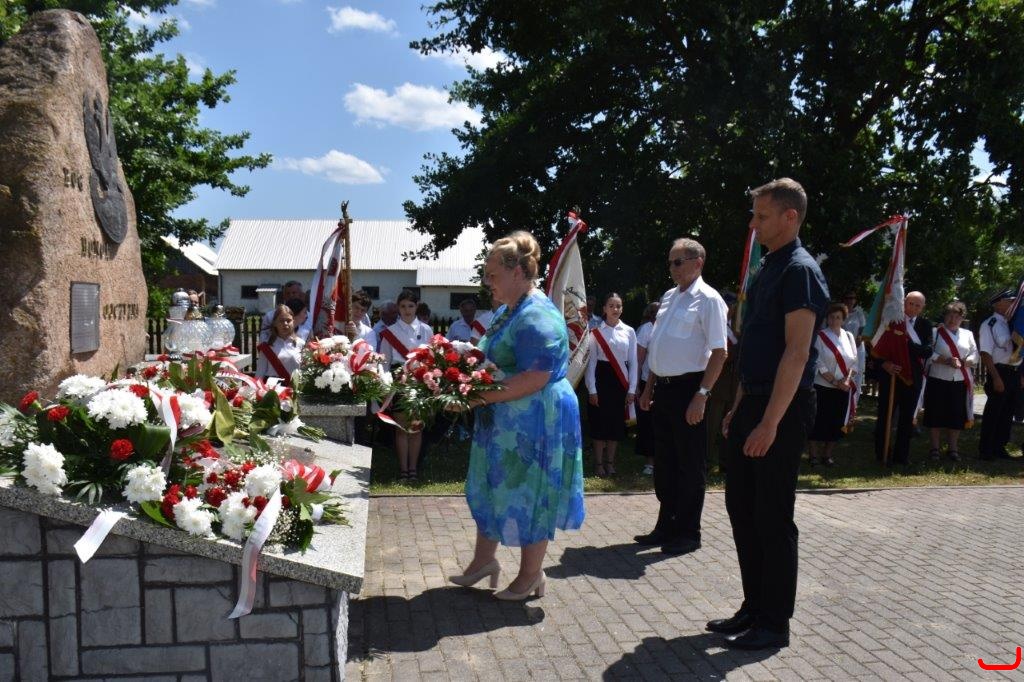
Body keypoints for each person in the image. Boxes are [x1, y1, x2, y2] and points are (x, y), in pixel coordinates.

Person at [708, 178, 828, 651]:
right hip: (754, 400)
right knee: (742, 509)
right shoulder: (768, 267)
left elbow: (796, 353)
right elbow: (755, 347)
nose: (753, 224)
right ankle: (754, 606)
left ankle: (775, 623)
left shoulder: (800, 270)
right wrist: (740, 407)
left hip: (784, 405)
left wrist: (770, 422)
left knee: (772, 516)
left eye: (761, 216)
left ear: (789, 217)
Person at [448, 231, 585, 600]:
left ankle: (530, 575)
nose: (487, 281)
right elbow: (491, 358)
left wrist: (476, 398)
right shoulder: (508, 311)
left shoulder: (537, 314)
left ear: (518, 272)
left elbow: (536, 377)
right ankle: (483, 562)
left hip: (535, 422)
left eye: (493, 274)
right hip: (505, 421)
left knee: (530, 493)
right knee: (493, 485)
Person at [636, 238, 728, 556]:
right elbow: (658, 346)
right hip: (663, 388)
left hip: (690, 389)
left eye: (678, 262)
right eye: (670, 263)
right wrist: (649, 386)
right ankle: (667, 526)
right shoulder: (669, 296)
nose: (672, 268)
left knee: (689, 464)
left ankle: (689, 532)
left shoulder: (709, 300)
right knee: (665, 463)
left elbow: (720, 352)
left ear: (697, 263)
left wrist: (702, 395)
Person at [869, 291, 932, 465]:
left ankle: (901, 456)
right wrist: (884, 363)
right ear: (904, 302)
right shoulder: (893, 321)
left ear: (922, 308)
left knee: (906, 418)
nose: (913, 308)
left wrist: (906, 344)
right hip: (891, 374)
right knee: (885, 415)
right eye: (910, 303)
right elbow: (875, 347)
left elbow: (927, 351)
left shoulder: (925, 325)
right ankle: (882, 453)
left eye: (918, 305)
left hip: (912, 377)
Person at [379, 290, 433, 480]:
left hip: (420, 381)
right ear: (398, 308)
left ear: (417, 306)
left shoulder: (426, 330)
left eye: (411, 306)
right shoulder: (390, 332)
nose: (407, 310)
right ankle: (403, 470)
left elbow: (431, 358)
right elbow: (384, 363)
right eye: (403, 306)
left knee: (417, 427)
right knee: (402, 428)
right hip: (399, 382)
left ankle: (413, 469)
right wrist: (386, 387)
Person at [585, 292, 638, 477]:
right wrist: (592, 389)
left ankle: (610, 462)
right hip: (601, 379)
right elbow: (591, 363)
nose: (615, 309)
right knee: (599, 423)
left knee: (615, 424)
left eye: (618, 306)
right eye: (611, 306)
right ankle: (599, 463)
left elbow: (634, 362)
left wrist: (632, 389)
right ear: (604, 309)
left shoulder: (629, 331)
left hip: (619, 382)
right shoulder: (596, 332)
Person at [923, 300, 978, 461]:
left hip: (960, 379)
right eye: (949, 315)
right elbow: (928, 353)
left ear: (962, 318)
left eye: (957, 316)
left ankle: (953, 449)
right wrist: (946, 360)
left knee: (956, 414)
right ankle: (934, 448)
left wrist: (967, 361)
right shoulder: (935, 332)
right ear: (945, 316)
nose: (953, 319)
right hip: (938, 378)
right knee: (936, 413)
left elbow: (975, 353)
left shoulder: (968, 334)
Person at [808, 303, 859, 466]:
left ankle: (827, 455)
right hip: (823, 387)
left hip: (843, 387)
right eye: (831, 317)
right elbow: (818, 363)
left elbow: (854, 362)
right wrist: (835, 382)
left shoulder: (849, 337)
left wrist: (846, 380)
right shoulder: (820, 336)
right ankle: (813, 455)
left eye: (838, 317)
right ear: (827, 318)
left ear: (843, 319)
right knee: (818, 421)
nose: (834, 320)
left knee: (836, 422)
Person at [978, 289, 1022, 459]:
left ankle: (1000, 447)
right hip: (1000, 371)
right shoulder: (990, 324)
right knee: (994, 412)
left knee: (1007, 412)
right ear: (998, 304)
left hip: (1014, 372)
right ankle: (986, 449)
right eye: (1009, 300)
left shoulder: (1012, 322)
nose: (1013, 303)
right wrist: (996, 377)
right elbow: (985, 353)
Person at [707, 291, 741, 472]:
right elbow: (719, 353)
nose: (731, 309)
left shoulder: (738, 328)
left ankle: (725, 462)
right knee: (711, 425)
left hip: (734, 384)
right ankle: (706, 460)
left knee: (729, 424)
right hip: (718, 383)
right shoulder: (716, 325)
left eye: (733, 305)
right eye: (728, 305)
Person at [634, 301, 659, 476]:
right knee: (648, 423)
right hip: (646, 382)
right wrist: (635, 385)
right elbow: (639, 360)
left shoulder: (669, 327)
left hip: (666, 382)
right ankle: (649, 462)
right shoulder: (646, 330)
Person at [256, 304, 304, 383]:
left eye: (288, 320)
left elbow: (304, 370)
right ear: (275, 323)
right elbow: (260, 373)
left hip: (295, 386)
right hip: (272, 388)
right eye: (281, 321)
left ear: (293, 321)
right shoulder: (266, 345)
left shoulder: (301, 343)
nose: (285, 323)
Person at [841, 291, 867, 396]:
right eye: (848, 298)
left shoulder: (859, 313)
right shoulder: (840, 313)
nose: (850, 300)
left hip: (857, 346)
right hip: (843, 347)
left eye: (853, 298)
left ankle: (855, 400)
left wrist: (859, 338)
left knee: (857, 373)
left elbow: (863, 329)